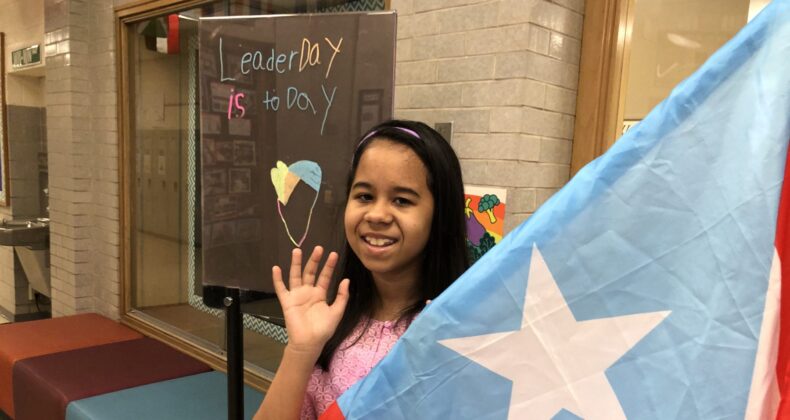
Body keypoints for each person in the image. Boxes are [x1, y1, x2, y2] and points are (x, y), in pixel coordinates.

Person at [254, 120, 470, 420]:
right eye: (365, 196)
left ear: (440, 213)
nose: (377, 214)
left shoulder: (461, 330)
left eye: (402, 200)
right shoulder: (330, 322)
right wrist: (301, 351)